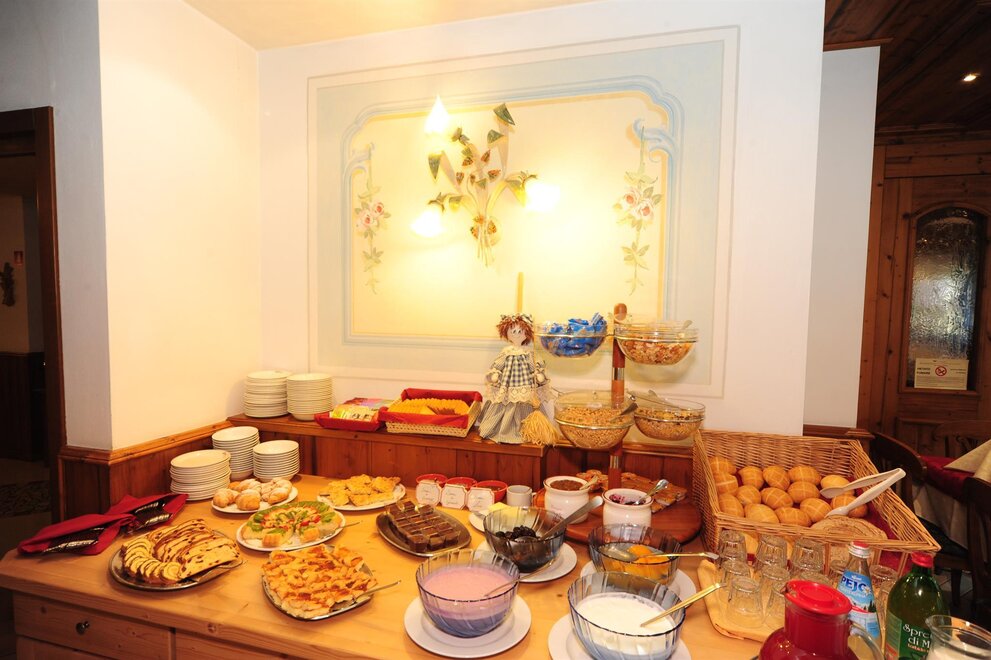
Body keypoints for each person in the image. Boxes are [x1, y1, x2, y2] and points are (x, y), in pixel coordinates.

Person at [477, 314, 549, 443]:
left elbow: (535, 365)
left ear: (526, 333)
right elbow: (498, 365)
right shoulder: (506, 352)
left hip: (525, 385)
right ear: (506, 333)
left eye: (520, 331)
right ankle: (503, 431)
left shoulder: (528, 352)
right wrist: (495, 374)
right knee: (505, 402)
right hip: (507, 385)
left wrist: (538, 374)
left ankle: (528, 430)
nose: (516, 334)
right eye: (513, 331)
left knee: (525, 403)